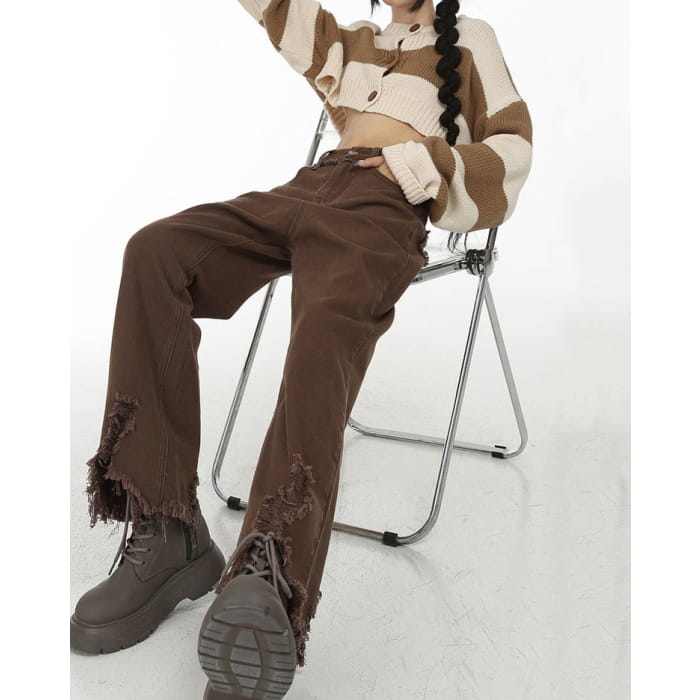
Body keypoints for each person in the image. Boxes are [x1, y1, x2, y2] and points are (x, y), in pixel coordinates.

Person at [70, 1, 533, 698]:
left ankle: (268, 575)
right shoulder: (353, 43)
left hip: (385, 208)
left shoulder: (472, 41)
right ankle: (167, 528)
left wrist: (422, 163)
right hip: (307, 189)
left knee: (322, 323)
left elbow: (514, 148)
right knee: (157, 252)